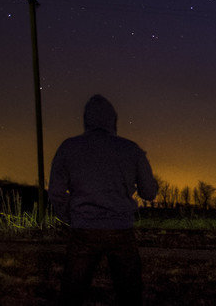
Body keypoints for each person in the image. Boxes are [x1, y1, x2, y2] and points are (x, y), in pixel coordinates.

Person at [49, 94, 159, 305]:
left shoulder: (68, 148)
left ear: (86, 119)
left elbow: (55, 191)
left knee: (72, 293)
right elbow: (149, 193)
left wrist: (72, 217)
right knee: (129, 293)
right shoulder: (131, 150)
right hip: (121, 230)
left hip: (83, 230)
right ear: (113, 120)